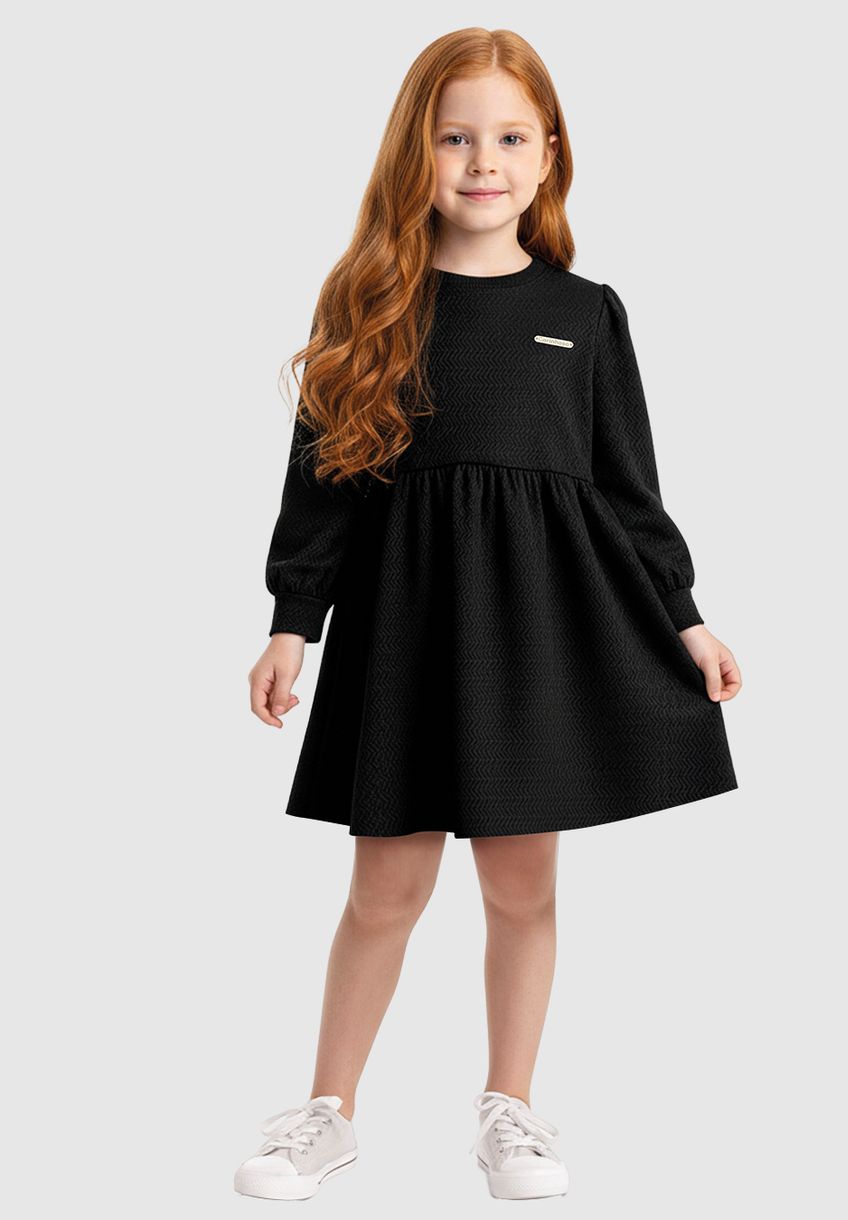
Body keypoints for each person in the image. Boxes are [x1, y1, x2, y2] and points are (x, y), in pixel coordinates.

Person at [237, 27, 741, 1203]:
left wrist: (686, 617)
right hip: (405, 631)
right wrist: (291, 621)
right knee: (385, 889)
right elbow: (322, 482)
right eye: (455, 137)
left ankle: (508, 1104)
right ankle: (328, 1110)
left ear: (549, 152)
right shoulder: (371, 303)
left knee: (522, 887)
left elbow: (626, 487)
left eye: (510, 137)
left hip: (537, 636)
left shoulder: (585, 310)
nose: (483, 162)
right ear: (414, 151)